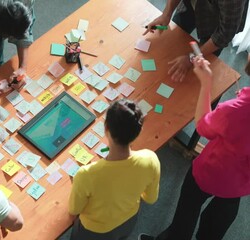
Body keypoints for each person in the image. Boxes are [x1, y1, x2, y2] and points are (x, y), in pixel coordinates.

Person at [139, 56, 250, 240]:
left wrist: (206, 83)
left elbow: (203, 126)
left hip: (210, 172)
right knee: (215, 226)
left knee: (185, 218)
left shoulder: (235, 110)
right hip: (240, 184)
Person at [68, 99, 161, 240]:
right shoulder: (151, 159)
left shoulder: (86, 175)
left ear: (106, 128)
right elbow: (150, 198)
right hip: (128, 221)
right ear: (139, 131)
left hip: (93, 232)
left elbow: (74, 210)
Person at [144, 0, 248, 82]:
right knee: (173, 45)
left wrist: (191, 58)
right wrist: (166, 14)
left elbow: (223, 36)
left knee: (197, 72)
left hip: (216, 21)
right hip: (191, 6)